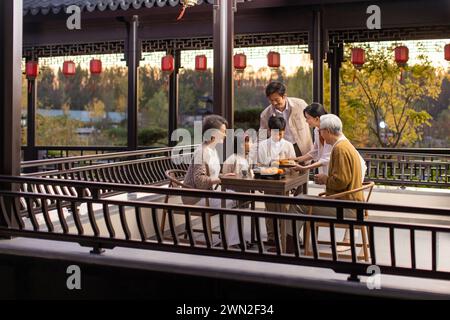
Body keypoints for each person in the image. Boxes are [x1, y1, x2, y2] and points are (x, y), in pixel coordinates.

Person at [286, 114, 365, 253]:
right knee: (300, 199)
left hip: (347, 208)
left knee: (297, 203)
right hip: (351, 203)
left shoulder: (340, 149)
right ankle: (293, 244)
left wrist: (324, 179)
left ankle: (288, 247)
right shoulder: (345, 145)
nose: (320, 135)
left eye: (320, 131)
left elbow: (341, 181)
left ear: (327, 131)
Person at [257, 116, 296, 245]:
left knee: (284, 208)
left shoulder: (288, 145)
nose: (278, 136)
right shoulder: (263, 145)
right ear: (269, 130)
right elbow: (261, 164)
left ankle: (284, 235)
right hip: (268, 181)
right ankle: (272, 237)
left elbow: (293, 164)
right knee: (270, 209)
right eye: (275, 133)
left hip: (284, 181)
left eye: (281, 133)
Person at [260, 81, 313, 157]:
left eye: (276, 99)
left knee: (305, 167)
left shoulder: (301, 105)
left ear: (284, 96)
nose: (274, 103)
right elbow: (262, 137)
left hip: (303, 148)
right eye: (271, 100)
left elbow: (314, 121)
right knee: (284, 168)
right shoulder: (265, 115)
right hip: (282, 150)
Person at [291, 102, 332, 175]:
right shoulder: (317, 129)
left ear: (316, 118)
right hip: (328, 168)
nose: (306, 121)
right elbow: (315, 151)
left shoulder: (329, 131)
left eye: (308, 118)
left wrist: (304, 168)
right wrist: (296, 160)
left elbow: (327, 158)